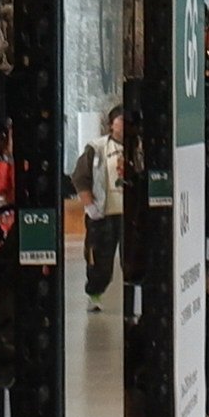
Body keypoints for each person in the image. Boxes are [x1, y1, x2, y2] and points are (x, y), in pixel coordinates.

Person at [80, 105, 130, 301]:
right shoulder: (97, 147)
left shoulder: (138, 146)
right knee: (101, 262)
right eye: (120, 120)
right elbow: (80, 178)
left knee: (132, 261)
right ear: (112, 124)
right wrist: (90, 205)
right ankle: (94, 294)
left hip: (129, 214)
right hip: (103, 214)